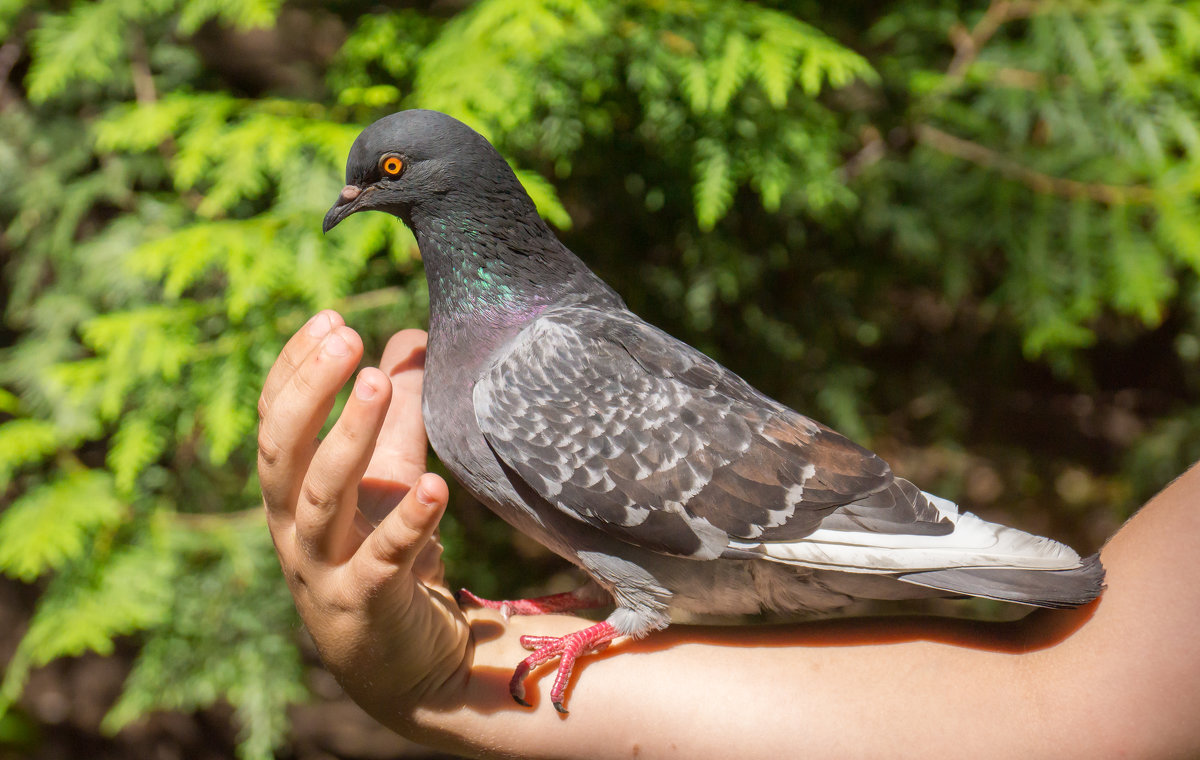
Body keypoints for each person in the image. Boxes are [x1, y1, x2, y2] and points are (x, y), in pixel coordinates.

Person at [258, 311, 1200, 759]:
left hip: (787, 527)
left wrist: (444, 685)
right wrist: (444, 676)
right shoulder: (529, 358)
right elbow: (1058, 716)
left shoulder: (538, 372)